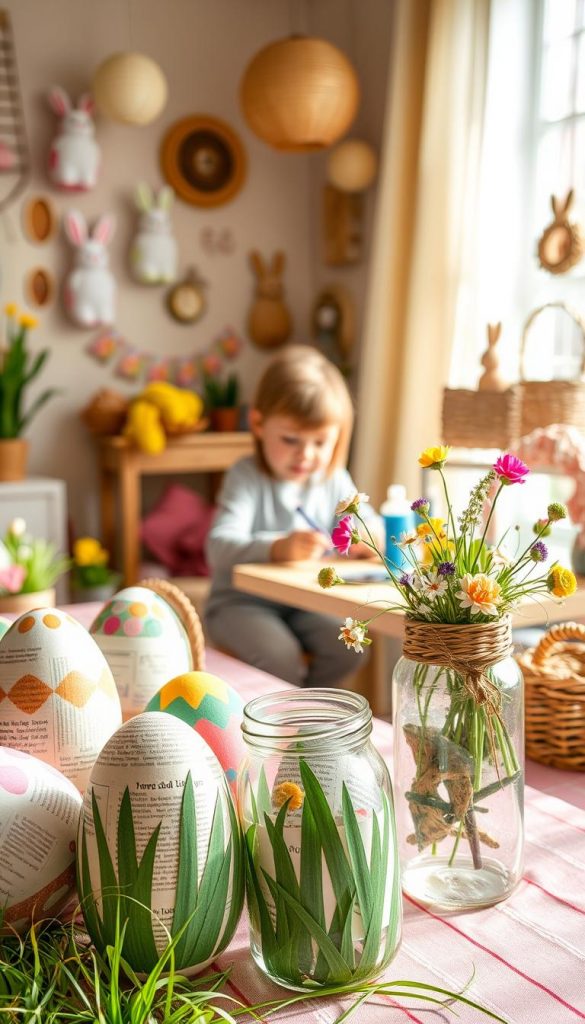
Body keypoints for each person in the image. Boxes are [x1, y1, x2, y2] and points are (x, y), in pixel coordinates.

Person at [205, 345, 381, 687]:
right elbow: (218, 546)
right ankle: (287, 721)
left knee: (351, 646)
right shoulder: (246, 476)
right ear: (258, 424)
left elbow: (365, 521)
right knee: (279, 656)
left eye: (320, 442)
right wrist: (276, 548)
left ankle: (307, 713)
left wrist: (369, 540)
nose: (306, 454)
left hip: (303, 602)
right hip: (238, 605)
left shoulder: (332, 478)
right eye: (290, 439)